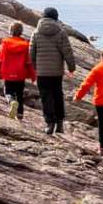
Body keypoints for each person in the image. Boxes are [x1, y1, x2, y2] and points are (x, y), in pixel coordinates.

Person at [28, 7, 76, 135]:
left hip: (42, 72)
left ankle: (50, 123)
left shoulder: (36, 33)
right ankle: (60, 123)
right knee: (57, 95)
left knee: (46, 97)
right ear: (56, 18)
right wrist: (71, 67)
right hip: (56, 72)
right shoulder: (61, 33)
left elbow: (31, 53)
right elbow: (68, 52)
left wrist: (34, 68)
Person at [0, 23, 33, 120]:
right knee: (19, 94)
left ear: (10, 31)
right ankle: (20, 114)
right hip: (20, 74)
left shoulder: (5, 43)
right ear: (21, 32)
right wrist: (32, 75)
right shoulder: (25, 45)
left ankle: (11, 101)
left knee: (8, 91)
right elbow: (28, 62)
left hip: (8, 73)